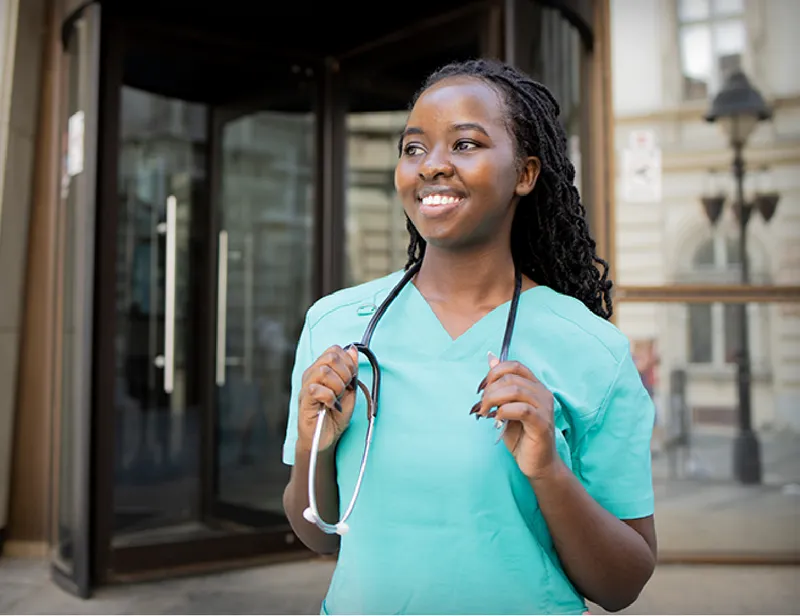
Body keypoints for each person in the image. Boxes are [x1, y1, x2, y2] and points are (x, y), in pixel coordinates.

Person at [282, 58, 657, 615]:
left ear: (525, 174)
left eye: (464, 144)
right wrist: (317, 444)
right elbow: (319, 536)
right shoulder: (336, 326)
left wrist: (548, 471)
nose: (432, 166)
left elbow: (622, 585)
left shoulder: (590, 348)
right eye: (414, 149)